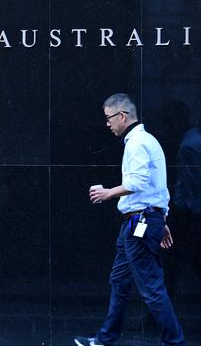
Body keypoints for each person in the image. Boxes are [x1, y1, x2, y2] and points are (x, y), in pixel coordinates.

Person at [75, 93, 185, 346]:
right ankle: (105, 339)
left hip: (139, 223)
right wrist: (162, 218)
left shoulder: (137, 143)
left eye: (109, 118)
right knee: (120, 281)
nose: (107, 124)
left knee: (151, 287)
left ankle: (175, 342)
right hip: (140, 222)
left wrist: (108, 193)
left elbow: (138, 182)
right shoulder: (147, 141)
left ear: (122, 116)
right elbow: (159, 188)